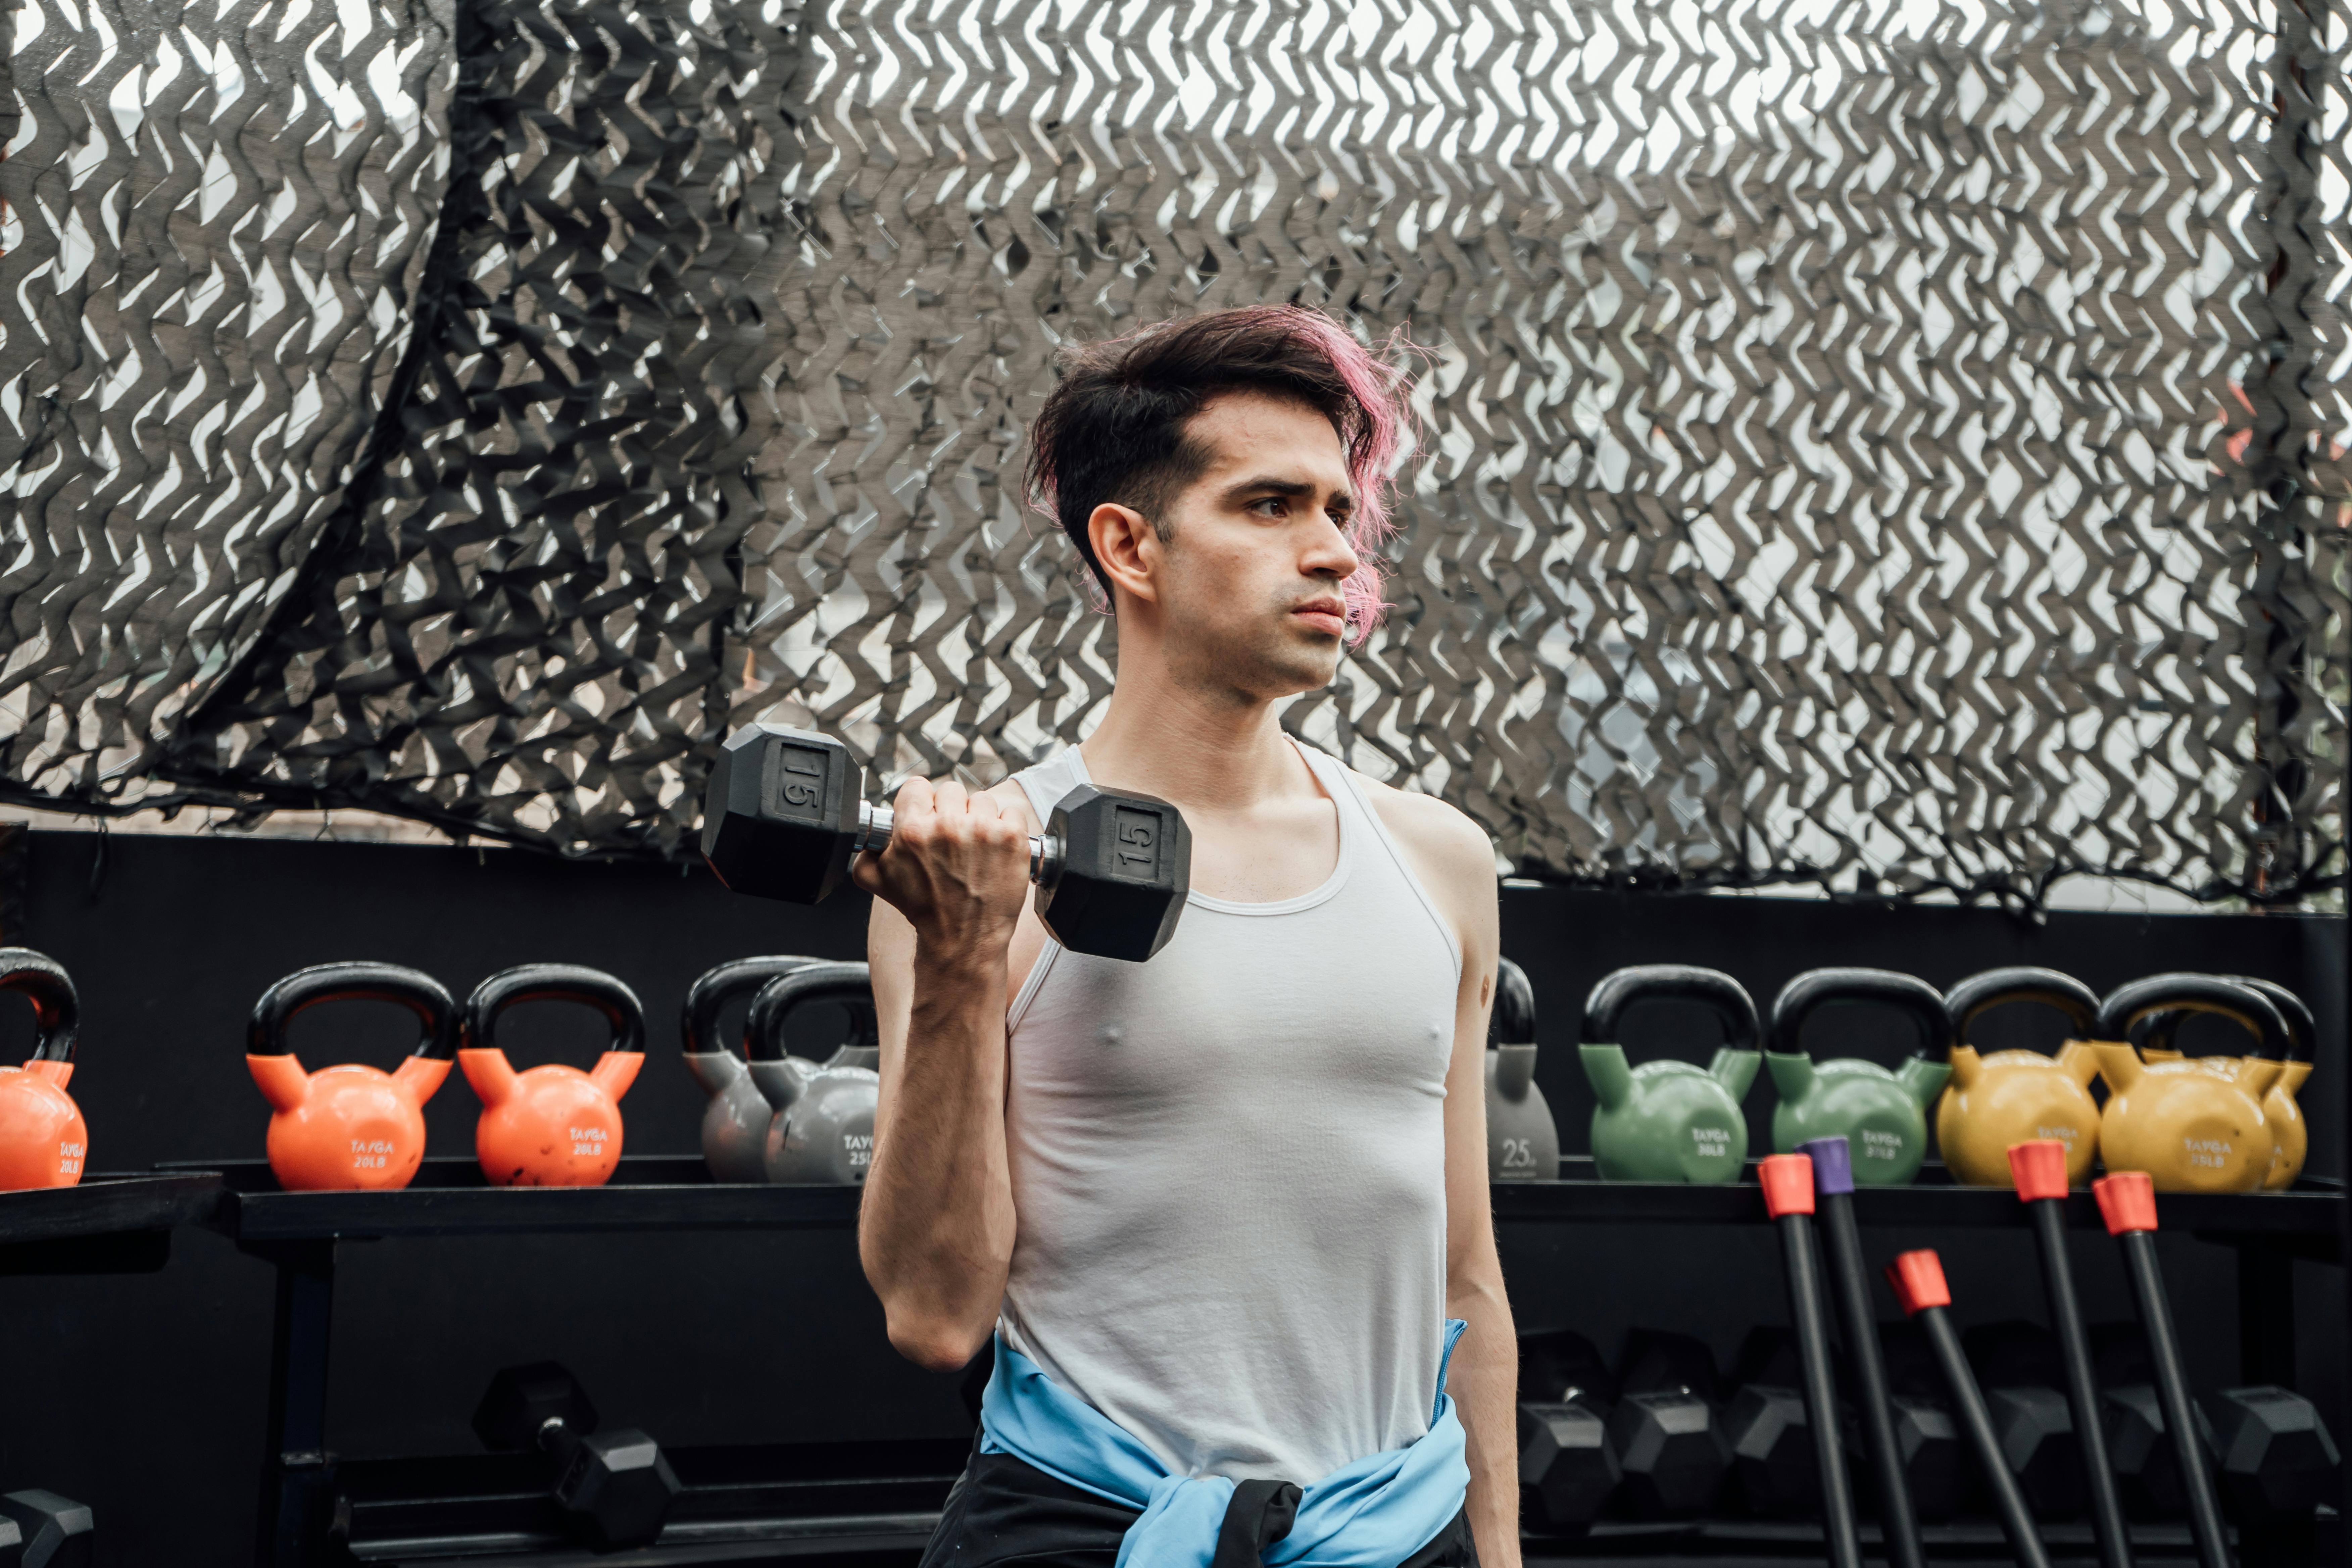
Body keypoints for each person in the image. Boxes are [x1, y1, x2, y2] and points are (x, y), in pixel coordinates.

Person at [854, 305, 1514, 1568]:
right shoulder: (978, 866)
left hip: (1399, 1534)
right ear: (1131, 547)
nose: (1335, 555)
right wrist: (958, 960)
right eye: (1271, 506)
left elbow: (1466, 1284)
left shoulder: (1440, 862)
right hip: (1085, 1534)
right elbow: (937, 1317)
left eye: (1337, 510)